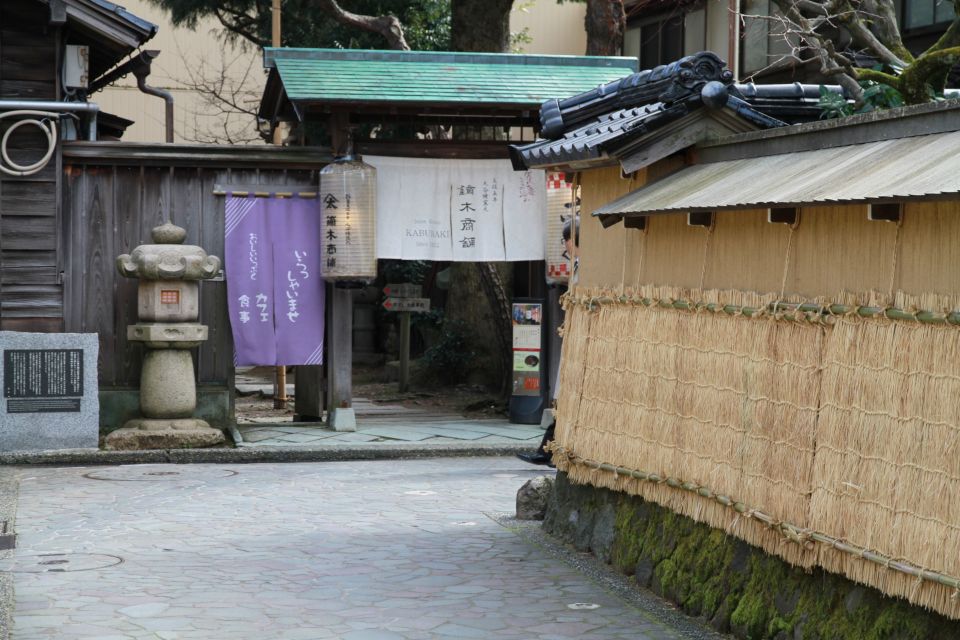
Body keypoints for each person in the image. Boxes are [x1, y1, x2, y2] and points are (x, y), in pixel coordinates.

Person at [518, 216, 579, 466]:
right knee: (564, 399)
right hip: (574, 336)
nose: (565, 247)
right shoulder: (578, 265)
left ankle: (550, 450)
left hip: (581, 340)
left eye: (566, 241)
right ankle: (549, 449)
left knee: (567, 398)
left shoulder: (585, 265)